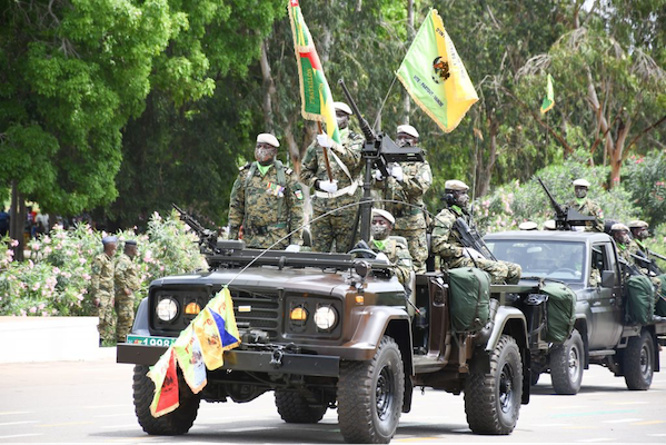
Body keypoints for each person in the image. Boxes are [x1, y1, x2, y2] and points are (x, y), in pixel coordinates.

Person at [299, 102, 365, 253]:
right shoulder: (318, 143)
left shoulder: (356, 140)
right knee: (318, 255)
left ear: (347, 119)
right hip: (321, 207)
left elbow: (354, 160)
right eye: (332, 115)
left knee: (346, 255)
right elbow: (303, 173)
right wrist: (319, 184)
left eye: (340, 115)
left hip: (346, 208)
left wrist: (333, 145)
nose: (335, 119)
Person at [431, 180, 522, 284]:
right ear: (451, 196)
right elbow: (437, 247)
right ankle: (486, 298)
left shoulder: (464, 216)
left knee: (515, 270)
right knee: (500, 269)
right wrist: (463, 251)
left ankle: (506, 298)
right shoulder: (445, 217)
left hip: (470, 258)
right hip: (455, 262)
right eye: (463, 193)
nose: (467, 197)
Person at [228, 133, 305, 249]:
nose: (261, 150)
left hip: (276, 242)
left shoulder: (286, 177)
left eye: (265, 147)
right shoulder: (245, 175)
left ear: (274, 152)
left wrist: (295, 242)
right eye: (258, 146)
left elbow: (296, 210)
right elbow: (236, 207)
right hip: (250, 242)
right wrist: (232, 240)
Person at [373, 125, 432, 273]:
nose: (402, 141)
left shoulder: (420, 164)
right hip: (390, 224)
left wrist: (402, 177)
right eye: (399, 137)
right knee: (389, 260)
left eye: (407, 138)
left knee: (415, 265)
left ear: (415, 141)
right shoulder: (389, 161)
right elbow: (376, 186)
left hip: (412, 225)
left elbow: (421, 188)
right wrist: (379, 178)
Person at [368, 208, 413, 288]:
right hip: (367, 287)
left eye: (381, 223)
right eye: (374, 222)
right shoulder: (365, 248)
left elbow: (406, 274)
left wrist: (388, 270)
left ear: (390, 227)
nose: (377, 226)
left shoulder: (398, 248)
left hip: (391, 289)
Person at [91, 235, 117, 346]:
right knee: (100, 318)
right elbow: (95, 277)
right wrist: (96, 295)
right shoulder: (100, 259)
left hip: (109, 293)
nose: (116, 248)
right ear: (110, 246)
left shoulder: (110, 260)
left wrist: (113, 295)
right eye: (115, 245)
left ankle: (102, 340)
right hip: (102, 293)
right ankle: (98, 341)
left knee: (107, 318)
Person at [114, 240, 141, 343]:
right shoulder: (124, 260)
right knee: (126, 318)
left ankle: (123, 339)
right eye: (135, 248)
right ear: (131, 249)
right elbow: (118, 273)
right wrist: (124, 287)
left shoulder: (127, 260)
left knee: (126, 318)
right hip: (124, 295)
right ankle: (122, 341)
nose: (136, 251)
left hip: (126, 294)